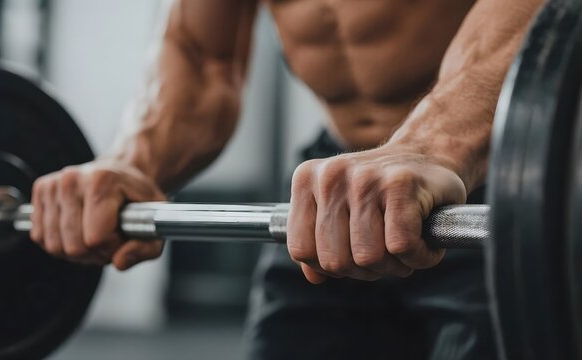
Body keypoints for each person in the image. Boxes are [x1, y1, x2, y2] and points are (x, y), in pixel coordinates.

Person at [29, 0, 544, 358]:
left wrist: (432, 145)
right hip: (331, 191)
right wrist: (133, 164)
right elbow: (202, 61)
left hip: (502, 183)